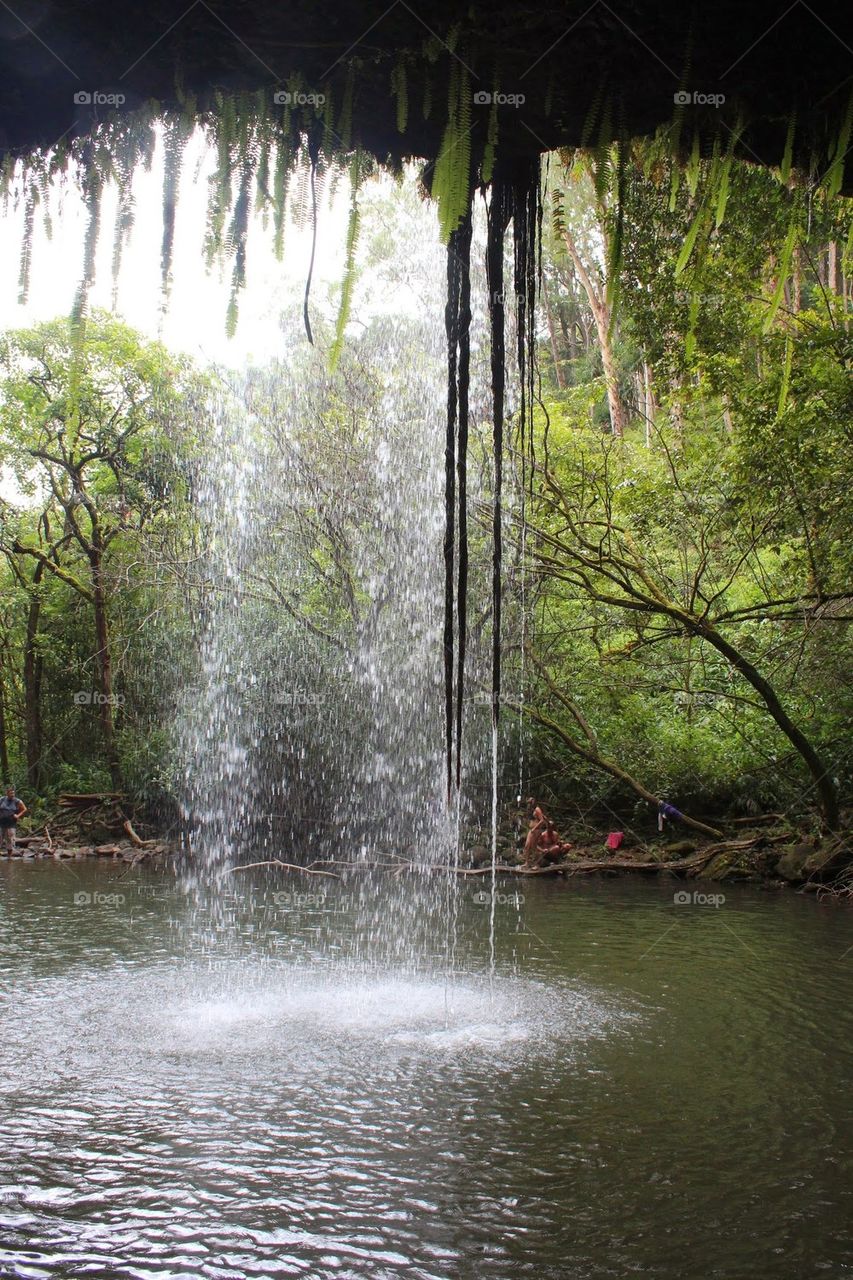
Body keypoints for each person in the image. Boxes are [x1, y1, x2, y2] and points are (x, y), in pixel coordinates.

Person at [0, 785, 27, 854]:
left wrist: (18, 815)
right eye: (11, 793)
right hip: (1, 822)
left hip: (11, 823)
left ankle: (10, 857)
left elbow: (24, 809)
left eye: (13, 793)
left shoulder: (17, 801)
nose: (12, 795)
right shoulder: (2, 799)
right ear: (7, 793)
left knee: (10, 839)